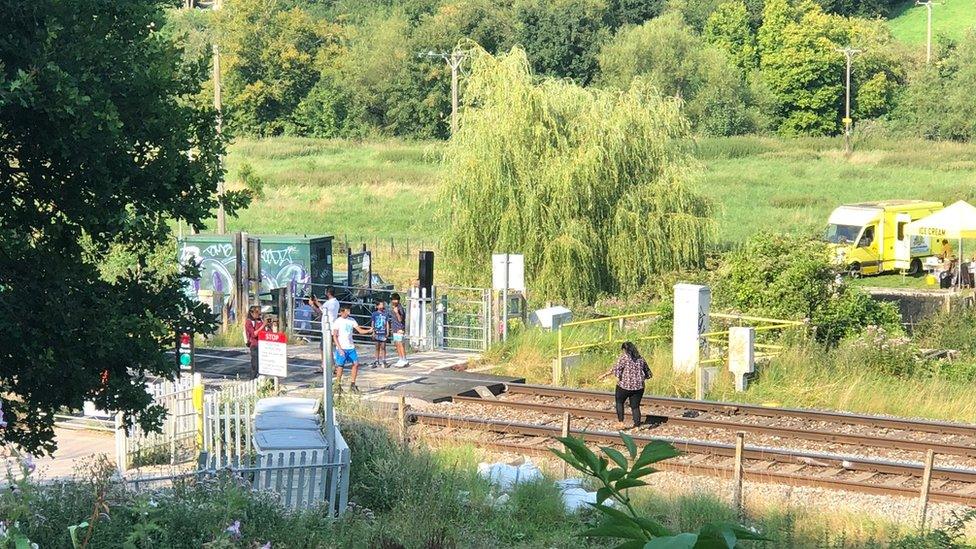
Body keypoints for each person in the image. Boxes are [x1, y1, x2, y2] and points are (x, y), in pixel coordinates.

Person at [599, 342, 651, 429]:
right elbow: (648, 373)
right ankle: (637, 426)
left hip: (625, 386)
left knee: (619, 402)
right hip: (639, 388)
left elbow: (616, 370)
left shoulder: (624, 358)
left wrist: (615, 377)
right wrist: (640, 379)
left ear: (625, 350)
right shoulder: (641, 358)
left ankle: (621, 422)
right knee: (635, 406)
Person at [332, 305, 373, 393]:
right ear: (342, 312)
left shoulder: (352, 320)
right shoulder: (337, 321)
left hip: (350, 347)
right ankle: (337, 386)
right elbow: (334, 336)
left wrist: (368, 331)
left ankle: (352, 384)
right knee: (340, 366)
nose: (349, 313)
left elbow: (360, 330)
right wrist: (339, 349)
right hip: (342, 347)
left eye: (349, 311)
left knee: (356, 364)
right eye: (347, 311)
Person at [243, 305, 267, 380]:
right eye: (257, 313)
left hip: (262, 344)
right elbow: (253, 334)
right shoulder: (249, 322)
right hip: (254, 345)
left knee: (262, 365)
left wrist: (268, 325)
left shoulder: (260, 321)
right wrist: (263, 325)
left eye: (259, 313)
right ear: (252, 313)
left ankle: (259, 380)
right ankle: (252, 380)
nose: (258, 314)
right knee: (255, 365)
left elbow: (265, 331)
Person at [389, 293, 409, 368]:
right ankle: (400, 358)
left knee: (400, 344)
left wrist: (397, 312)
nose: (393, 301)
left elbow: (400, 319)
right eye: (392, 299)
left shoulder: (400, 308)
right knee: (397, 344)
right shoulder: (393, 307)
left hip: (399, 328)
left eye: (394, 299)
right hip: (395, 328)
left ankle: (404, 359)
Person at [371, 300, 390, 368]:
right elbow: (373, 323)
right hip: (377, 333)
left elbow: (387, 323)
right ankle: (376, 360)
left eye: (383, 305)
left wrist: (387, 332)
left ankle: (384, 360)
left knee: (383, 347)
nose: (382, 306)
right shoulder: (374, 314)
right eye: (380, 305)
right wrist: (373, 332)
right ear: (377, 306)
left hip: (383, 333)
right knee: (377, 347)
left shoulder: (386, 314)